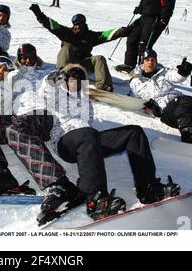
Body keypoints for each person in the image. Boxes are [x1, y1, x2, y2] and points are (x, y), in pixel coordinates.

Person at [37, 63, 181, 221]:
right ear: (64, 79)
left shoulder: (84, 98)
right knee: (87, 134)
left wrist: (145, 105)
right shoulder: (56, 94)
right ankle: (95, 199)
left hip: (88, 140)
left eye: (80, 78)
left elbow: (111, 104)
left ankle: (148, 188)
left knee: (134, 133)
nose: (75, 81)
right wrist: (51, 79)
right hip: (65, 141)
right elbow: (45, 91)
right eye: (72, 77)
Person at [0, 45, 75, 197]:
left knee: (17, 128)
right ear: (18, 59)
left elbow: (61, 87)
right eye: (24, 57)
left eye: (31, 57)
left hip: (40, 114)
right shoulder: (11, 75)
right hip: (16, 118)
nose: (28, 60)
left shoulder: (45, 73)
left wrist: (59, 78)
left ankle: (59, 183)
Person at [29, 3, 128, 92]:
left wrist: (122, 31)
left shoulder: (90, 36)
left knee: (99, 58)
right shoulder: (67, 33)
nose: (78, 26)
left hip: (83, 66)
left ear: (84, 24)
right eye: (76, 24)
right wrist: (39, 15)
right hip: (68, 65)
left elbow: (106, 35)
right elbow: (52, 25)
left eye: (80, 24)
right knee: (67, 47)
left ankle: (104, 86)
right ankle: (61, 74)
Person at [115, 0, 177, 73]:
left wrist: (163, 21)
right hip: (144, 17)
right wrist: (140, 8)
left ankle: (144, 71)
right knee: (132, 38)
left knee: (145, 45)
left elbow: (168, 4)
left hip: (155, 19)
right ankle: (130, 66)